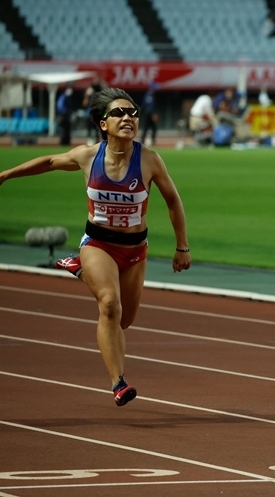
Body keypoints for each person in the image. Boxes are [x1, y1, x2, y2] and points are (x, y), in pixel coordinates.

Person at [0, 87, 191, 406]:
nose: (128, 118)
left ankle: (77, 268)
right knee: (109, 305)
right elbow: (48, 161)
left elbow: (173, 201)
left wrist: (181, 247)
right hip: (98, 244)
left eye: (133, 114)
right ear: (103, 123)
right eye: (118, 113)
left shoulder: (149, 160)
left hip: (134, 249)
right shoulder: (88, 156)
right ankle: (118, 382)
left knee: (124, 320)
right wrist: (5, 175)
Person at [141, 82, 159, 147]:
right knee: (146, 129)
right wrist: (153, 114)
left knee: (153, 128)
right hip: (148, 115)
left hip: (148, 114)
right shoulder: (149, 96)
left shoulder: (151, 95)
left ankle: (152, 141)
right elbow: (149, 106)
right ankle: (142, 142)